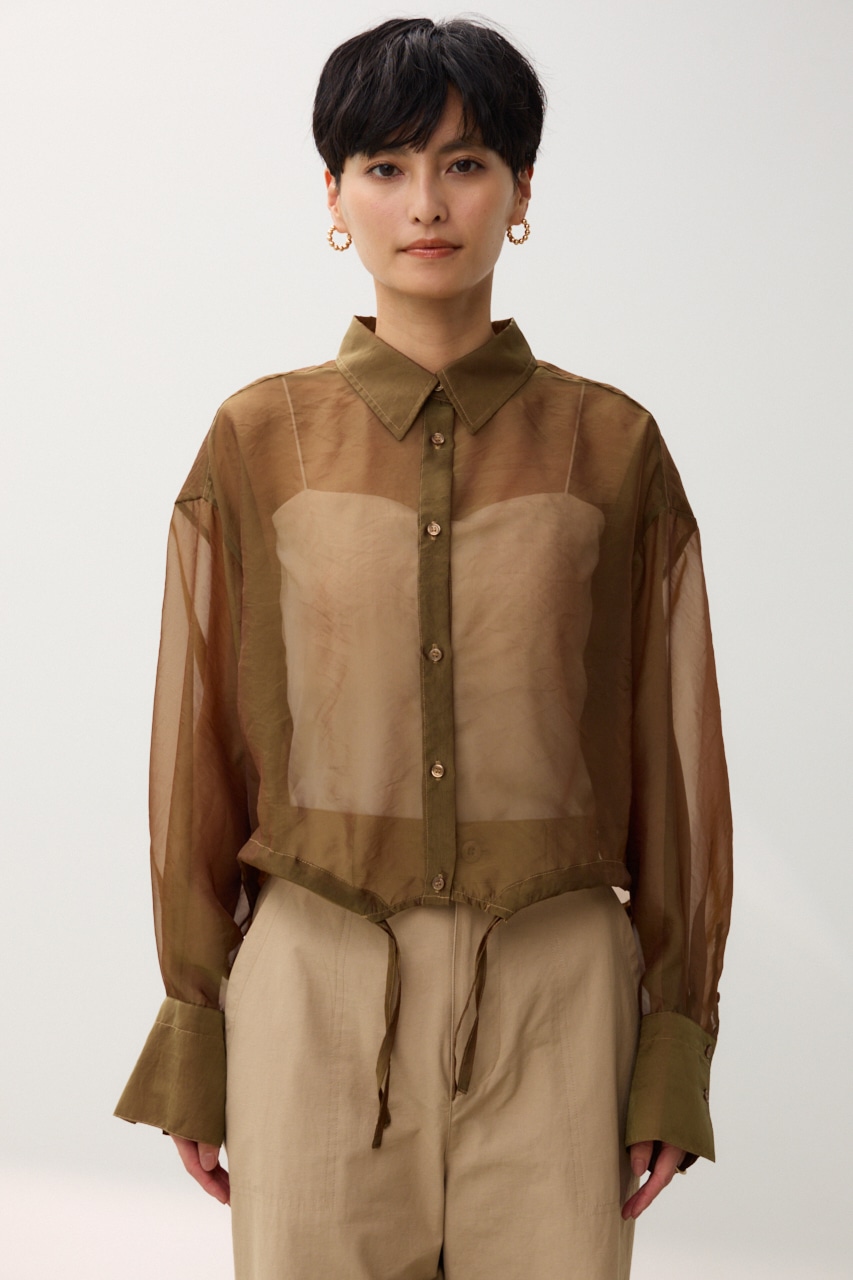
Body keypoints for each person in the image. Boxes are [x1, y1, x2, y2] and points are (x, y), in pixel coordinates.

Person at [115, 16, 732, 1279]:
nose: (426, 203)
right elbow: (201, 752)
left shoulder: (614, 446)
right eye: (386, 166)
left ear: (520, 191)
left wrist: (674, 1037)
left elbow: (673, 761)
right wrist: (197, 1024)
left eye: (465, 163)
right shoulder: (257, 439)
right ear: (333, 195)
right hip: (314, 982)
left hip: (560, 993)